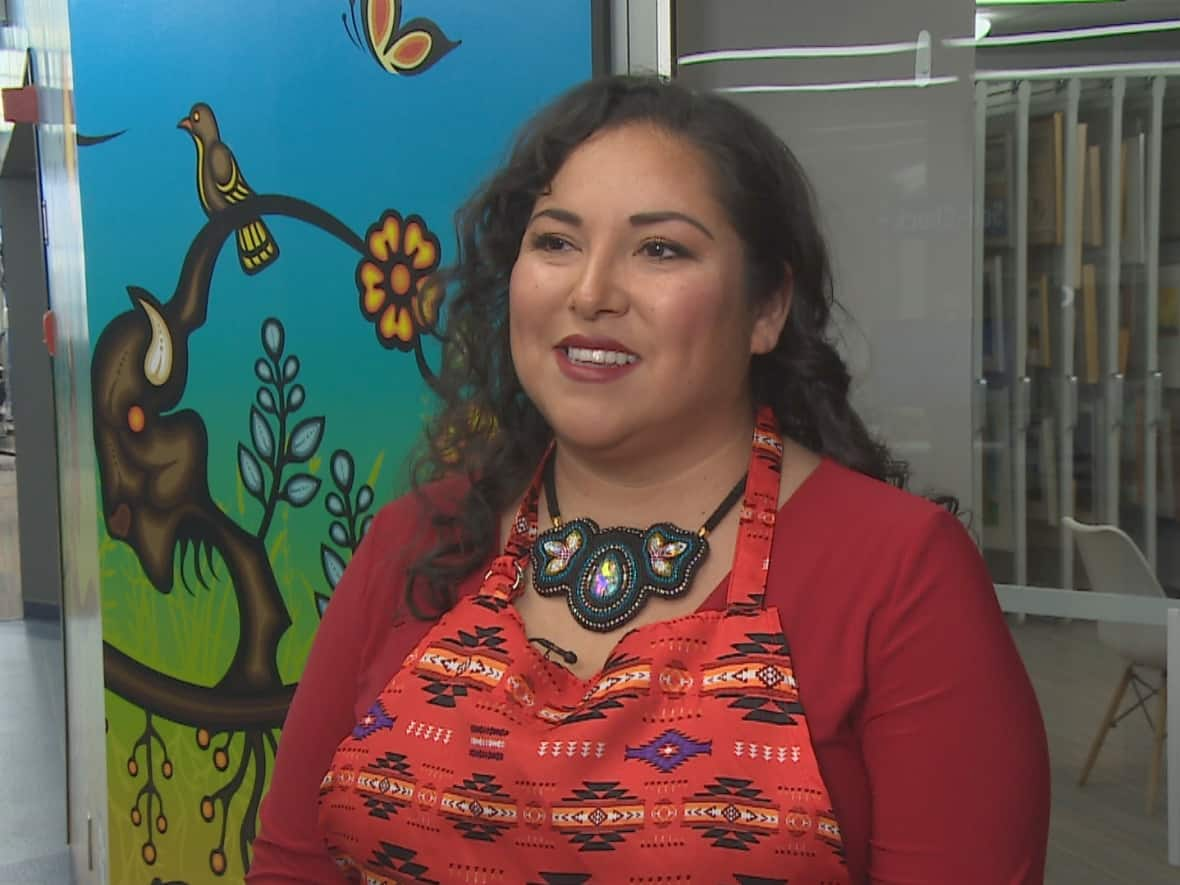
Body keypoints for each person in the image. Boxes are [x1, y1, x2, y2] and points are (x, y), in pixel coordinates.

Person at [247, 74, 1049, 884]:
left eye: (660, 249)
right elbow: (292, 866)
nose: (591, 293)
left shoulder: (900, 574)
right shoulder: (418, 537)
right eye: (556, 241)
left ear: (767, 305)